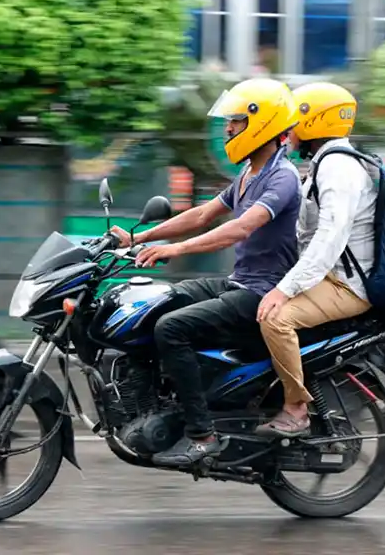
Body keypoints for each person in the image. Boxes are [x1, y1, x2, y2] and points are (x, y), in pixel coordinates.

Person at [109, 78, 303, 466]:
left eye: (236, 122)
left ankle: (201, 432)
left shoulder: (282, 177)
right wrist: (137, 238)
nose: (228, 129)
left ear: (262, 123)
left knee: (172, 328)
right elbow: (200, 215)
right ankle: (150, 404)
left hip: (263, 293)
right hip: (239, 281)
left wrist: (174, 249)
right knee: (155, 303)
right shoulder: (249, 174)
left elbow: (241, 227)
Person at [254, 81, 378, 438]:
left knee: (275, 320)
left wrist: (285, 288)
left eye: (294, 121)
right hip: (332, 276)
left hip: (347, 285)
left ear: (315, 121)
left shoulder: (339, 168)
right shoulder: (326, 165)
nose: (289, 131)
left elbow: (329, 238)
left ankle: (296, 409)